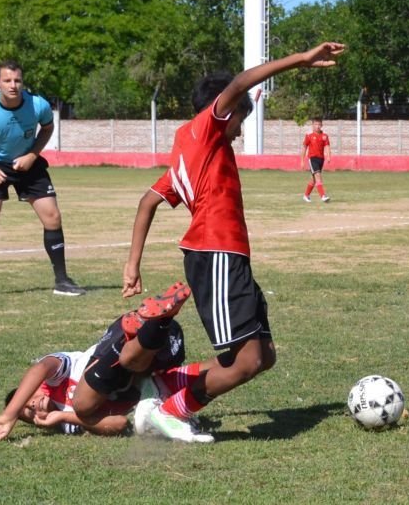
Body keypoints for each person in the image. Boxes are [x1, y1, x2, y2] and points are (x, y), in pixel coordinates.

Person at [122, 42, 345, 442]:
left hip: (225, 255)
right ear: (224, 109)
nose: (241, 129)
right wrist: (301, 60)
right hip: (215, 253)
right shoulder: (206, 129)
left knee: (264, 356)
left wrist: (132, 265)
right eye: (241, 117)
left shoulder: (191, 150)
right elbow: (242, 81)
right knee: (246, 362)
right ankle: (169, 412)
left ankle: (168, 383)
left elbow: (147, 202)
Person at [0, 282, 207, 442]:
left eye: (27, 400)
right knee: (197, 375)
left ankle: (134, 333)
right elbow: (118, 425)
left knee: (91, 392)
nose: (31, 407)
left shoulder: (56, 379)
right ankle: (160, 321)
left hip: (118, 340)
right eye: (28, 415)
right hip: (157, 354)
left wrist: (9, 415)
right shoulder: (65, 421)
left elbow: (41, 367)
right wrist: (63, 417)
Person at [0, 61, 84, 298]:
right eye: (7, 80)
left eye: (17, 80)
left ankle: (62, 280)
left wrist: (32, 155)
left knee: (53, 216)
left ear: (22, 82)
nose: (13, 85)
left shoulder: (38, 105)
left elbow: (47, 129)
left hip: (28, 163)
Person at [301, 117, 332, 202]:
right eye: (316, 124)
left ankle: (306, 195)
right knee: (318, 176)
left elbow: (327, 146)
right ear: (313, 125)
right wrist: (302, 160)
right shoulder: (309, 135)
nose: (317, 126)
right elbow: (304, 147)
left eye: (319, 124)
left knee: (314, 179)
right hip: (312, 159)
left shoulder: (324, 136)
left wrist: (329, 156)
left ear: (321, 125)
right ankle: (323, 196)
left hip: (321, 159)